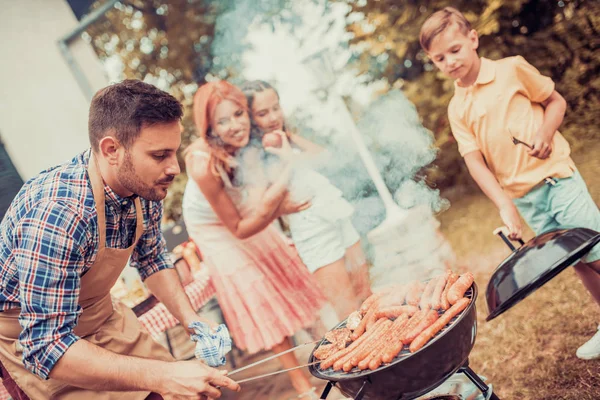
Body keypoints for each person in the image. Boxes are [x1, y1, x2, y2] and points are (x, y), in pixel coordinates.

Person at [0, 79, 240, 399]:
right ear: (111, 150)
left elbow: (152, 258)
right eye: (159, 155)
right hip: (40, 347)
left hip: (102, 318)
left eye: (174, 152)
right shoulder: (59, 215)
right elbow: (44, 345)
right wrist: (163, 375)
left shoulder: (145, 187)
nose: (175, 168)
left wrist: (193, 321)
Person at [420, 7, 600, 360]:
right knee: (575, 259)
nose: (450, 61)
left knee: (595, 251)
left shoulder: (511, 69)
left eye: (454, 50)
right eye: (440, 58)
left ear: (473, 39)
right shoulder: (458, 109)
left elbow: (554, 101)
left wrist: (546, 132)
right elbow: (475, 162)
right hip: (527, 198)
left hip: (555, 177)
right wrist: (506, 205)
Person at [181, 80, 327, 398]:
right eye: (223, 121)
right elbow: (239, 228)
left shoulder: (250, 142)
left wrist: (277, 206)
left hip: (242, 209)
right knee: (261, 290)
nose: (235, 125)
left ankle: (329, 346)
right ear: (209, 127)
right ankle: (303, 389)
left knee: (286, 274)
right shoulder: (202, 162)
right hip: (216, 230)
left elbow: (259, 197)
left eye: (238, 114)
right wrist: (285, 182)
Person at [241, 80, 373, 321]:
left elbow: (325, 157)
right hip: (313, 231)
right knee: (349, 312)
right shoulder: (253, 155)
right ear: (250, 118)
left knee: (366, 295)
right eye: (262, 113)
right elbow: (256, 207)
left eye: (276, 108)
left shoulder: (286, 138)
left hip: (336, 214)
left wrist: (289, 140)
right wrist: (280, 208)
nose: (273, 117)